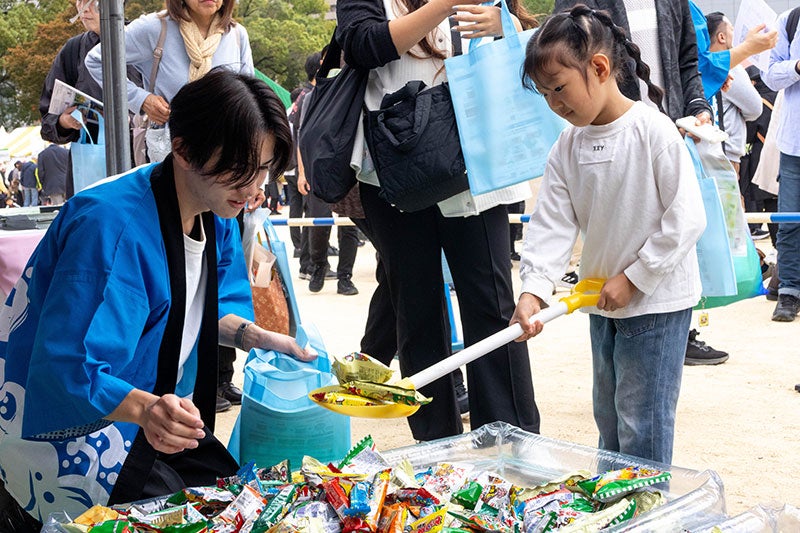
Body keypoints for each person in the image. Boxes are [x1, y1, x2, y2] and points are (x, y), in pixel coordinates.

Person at [0, 69, 307, 528]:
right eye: (241, 169)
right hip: (67, 429)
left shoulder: (215, 208)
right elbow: (67, 365)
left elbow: (199, 307)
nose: (254, 187)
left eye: (263, 168)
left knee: (244, 504)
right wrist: (147, 409)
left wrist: (252, 335)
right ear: (182, 149)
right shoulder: (108, 226)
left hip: (149, 411)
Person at [336, 0, 540, 441]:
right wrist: (443, 5)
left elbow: (528, 43)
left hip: (479, 163)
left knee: (491, 304)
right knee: (416, 309)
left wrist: (504, 23)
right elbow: (363, 45)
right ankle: (436, 441)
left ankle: (510, 438)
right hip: (394, 164)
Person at [513, 5, 705, 465]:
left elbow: (686, 217)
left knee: (642, 419)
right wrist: (533, 290)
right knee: (610, 415)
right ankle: (609, 493)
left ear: (599, 68)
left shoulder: (653, 131)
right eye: (545, 94)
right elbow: (552, 223)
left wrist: (636, 278)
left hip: (655, 303)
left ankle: (644, 500)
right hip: (601, 299)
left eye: (559, 88)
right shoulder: (567, 145)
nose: (554, 104)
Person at [85, 0, 254, 163]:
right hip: (172, 154)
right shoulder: (155, 27)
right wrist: (142, 99)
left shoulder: (237, 35)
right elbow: (97, 60)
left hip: (225, 154)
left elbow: (249, 101)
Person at [762, 7, 800, 323]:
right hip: (794, 145)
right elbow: (770, 75)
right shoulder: (790, 19)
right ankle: (789, 292)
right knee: (789, 222)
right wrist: (797, 66)